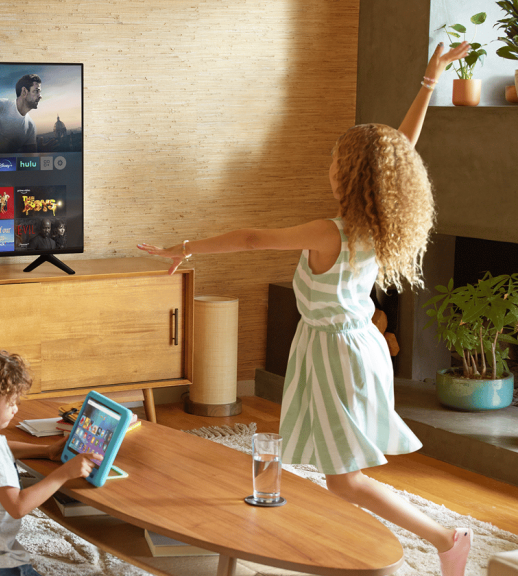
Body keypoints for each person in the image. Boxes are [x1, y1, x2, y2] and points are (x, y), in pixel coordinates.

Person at [138, 42, 473, 576]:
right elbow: (402, 149)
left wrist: (186, 247)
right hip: (349, 347)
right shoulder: (377, 223)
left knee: (344, 477)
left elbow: (250, 239)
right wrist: (428, 83)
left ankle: (445, 538)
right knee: (333, 464)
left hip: (340, 354)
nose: (330, 168)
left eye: (337, 162)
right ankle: (338, 540)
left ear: (353, 175)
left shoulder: (331, 231)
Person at [0, 344, 97, 575]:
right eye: (12, 402)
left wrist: (46, 451)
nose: (16, 410)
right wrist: (64, 473)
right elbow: (18, 506)